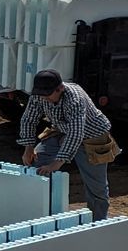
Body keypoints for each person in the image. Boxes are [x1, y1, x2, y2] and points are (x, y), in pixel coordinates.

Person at [18, 69, 116, 222]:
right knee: (37, 162)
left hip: (93, 136)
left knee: (96, 187)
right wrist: (28, 147)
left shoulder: (74, 98)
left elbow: (76, 134)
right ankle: (44, 213)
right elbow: (28, 119)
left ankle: (98, 223)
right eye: (41, 94)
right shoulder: (39, 96)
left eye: (48, 94)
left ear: (60, 88)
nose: (44, 98)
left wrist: (57, 163)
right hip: (62, 130)